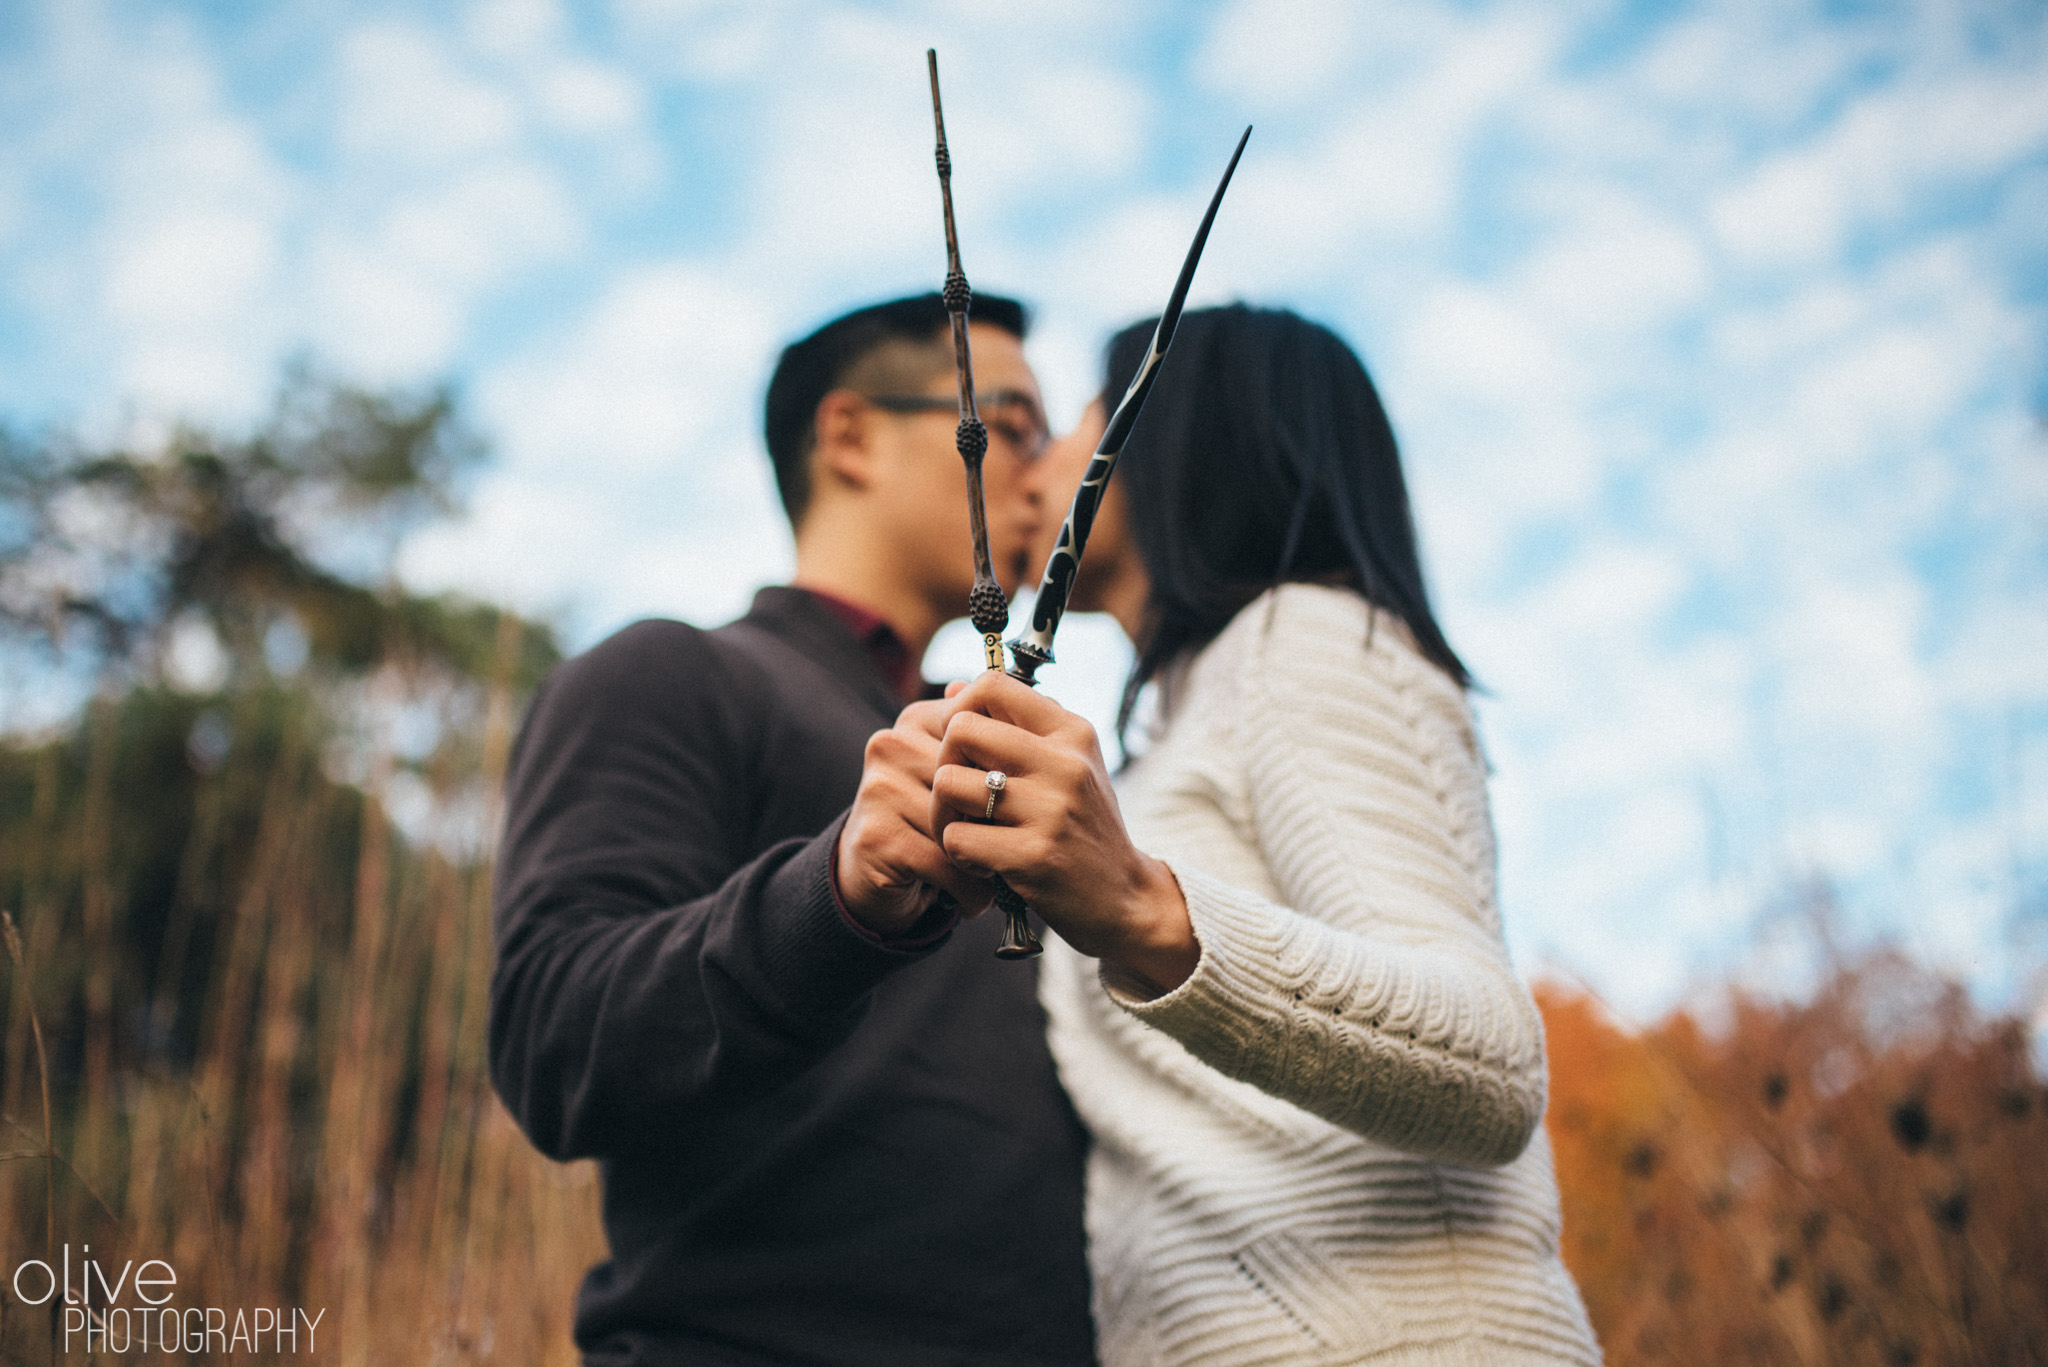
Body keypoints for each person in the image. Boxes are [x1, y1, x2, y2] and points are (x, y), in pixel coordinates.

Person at [885, 305, 1602, 1364]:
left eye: (1072, 424)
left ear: (1172, 440)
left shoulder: (1302, 637)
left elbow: (1489, 1065)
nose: (1027, 475)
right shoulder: (1185, 721)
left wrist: (1138, 907)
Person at [488, 293, 1101, 1366]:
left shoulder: (1011, 757)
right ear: (850, 435)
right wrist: (836, 889)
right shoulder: (672, 672)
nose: (1045, 479)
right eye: (1009, 428)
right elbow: (553, 1036)